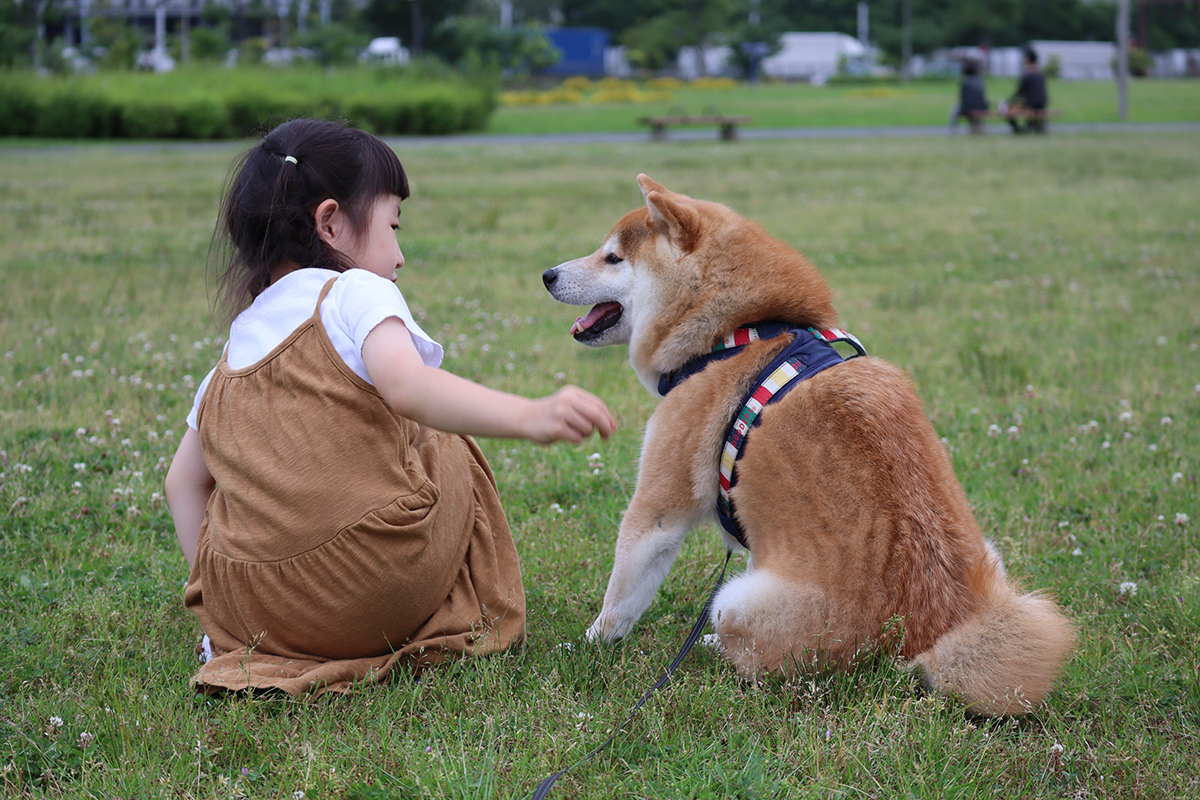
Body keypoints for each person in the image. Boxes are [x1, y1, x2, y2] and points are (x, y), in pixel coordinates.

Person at [165, 118, 616, 697]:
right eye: (392, 226)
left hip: (251, 615)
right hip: (369, 587)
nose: (399, 256)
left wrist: (223, 608)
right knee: (445, 438)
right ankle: (466, 607)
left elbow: (182, 483)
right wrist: (531, 416)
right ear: (330, 223)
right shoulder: (354, 291)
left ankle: (245, 631)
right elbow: (409, 388)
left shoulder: (232, 353)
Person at [1006, 46, 1049, 134]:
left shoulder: (1028, 74)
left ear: (1027, 60)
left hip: (1031, 104)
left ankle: (1018, 129)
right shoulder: (1040, 73)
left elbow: (1020, 91)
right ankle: (1033, 126)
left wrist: (1009, 100)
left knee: (1008, 109)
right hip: (1042, 103)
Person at [950, 58, 989, 134]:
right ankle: (977, 128)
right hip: (982, 107)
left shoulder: (965, 82)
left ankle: (953, 131)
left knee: (954, 108)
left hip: (969, 107)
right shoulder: (980, 81)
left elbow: (965, 98)